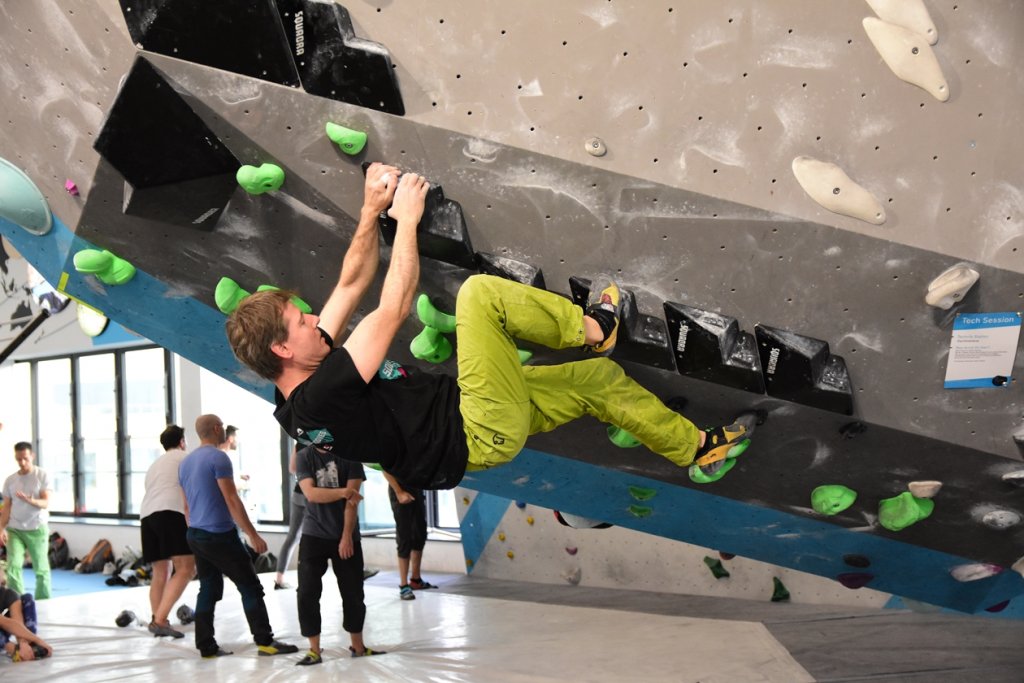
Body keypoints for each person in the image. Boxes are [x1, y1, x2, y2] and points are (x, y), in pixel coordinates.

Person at [225, 164, 748, 493]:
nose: (314, 318)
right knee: (479, 295)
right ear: (281, 347)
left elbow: (349, 284)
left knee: (597, 382)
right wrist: (405, 219)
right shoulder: (321, 395)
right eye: (300, 320)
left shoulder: (303, 379)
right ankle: (597, 327)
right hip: (475, 424)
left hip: (477, 427)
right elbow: (392, 307)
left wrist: (369, 213)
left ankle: (699, 449)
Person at [178, 414, 298, 659]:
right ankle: (265, 641)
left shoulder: (186, 462)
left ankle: (206, 646)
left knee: (208, 588)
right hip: (219, 534)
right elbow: (232, 499)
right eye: (221, 425)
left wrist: (197, 530)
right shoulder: (218, 458)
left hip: (195, 533)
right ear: (215, 428)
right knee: (250, 586)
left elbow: (186, 506)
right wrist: (253, 535)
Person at [293, 445, 381, 666]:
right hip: (314, 535)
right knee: (307, 592)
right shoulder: (304, 456)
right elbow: (311, 494)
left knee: (353, 591)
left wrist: (346, 536)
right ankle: (314, 649)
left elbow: (353, 503)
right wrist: (343, 492)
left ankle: (358, 646)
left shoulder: (350, 455)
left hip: (346, 534)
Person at [139, 424, 196, 639]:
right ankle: (161, 620)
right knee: (186, 568)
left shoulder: (155, 465)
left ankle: (157, 618)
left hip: (147, 515)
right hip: (170, 512)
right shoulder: (184, 457)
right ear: (182, 442)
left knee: (161, 571)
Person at [0, 443, 51, 599]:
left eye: (25, 459)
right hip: (15, 529)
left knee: (41, 568)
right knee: (13, 566)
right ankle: (17, 600)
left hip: (37, 528)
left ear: (32, 456)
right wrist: (1, 528)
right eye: (18, 459)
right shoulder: (10, 480)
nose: (22, 462)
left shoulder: (41, 475)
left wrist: (31, 501)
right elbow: (7, 507)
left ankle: (43, 602)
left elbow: (46, 503)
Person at [384, 472, 437, 600]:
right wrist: (398, 492)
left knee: (419, 533)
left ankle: (415, 579)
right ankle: (404, 585)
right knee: (404, 536)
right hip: (400, 491)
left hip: (416, 489)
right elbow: (385, 468)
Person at [273, 446, 305, 591]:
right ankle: (305, 580)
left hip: (300, 492)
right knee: (315, 538)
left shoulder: (301, 441)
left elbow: (292, 468)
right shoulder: (324, 438)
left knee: (293, 536)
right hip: (315, 494)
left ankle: (279, 578)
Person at [0, 584, 50, 661]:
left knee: (27, 599)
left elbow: (18, 623)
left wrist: (23, 643)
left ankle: (29, 645)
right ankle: (15, 651)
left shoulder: (8, 594)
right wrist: (13, 648)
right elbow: (6, 623)